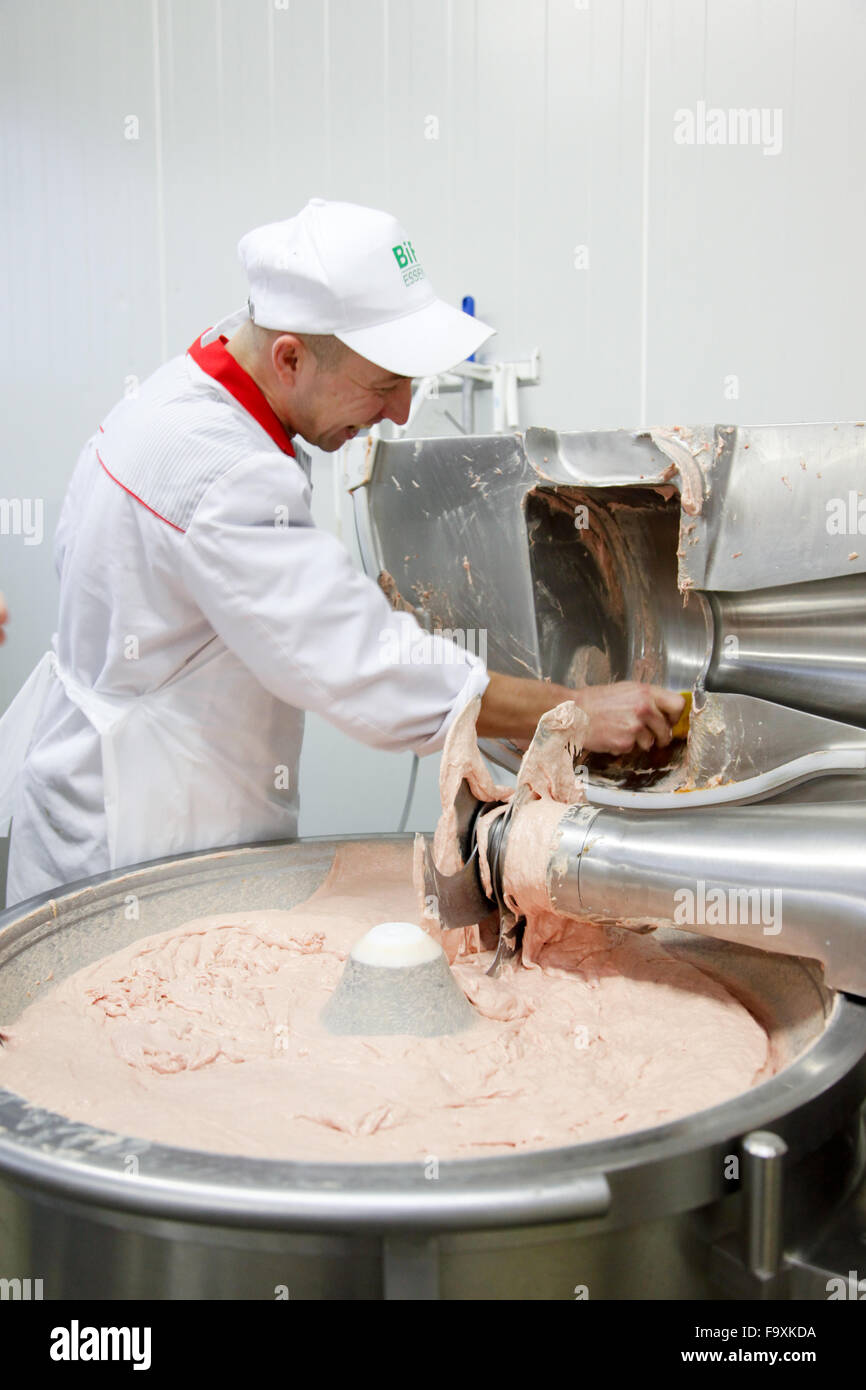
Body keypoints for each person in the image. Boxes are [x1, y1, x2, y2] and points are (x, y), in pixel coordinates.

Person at [0, 199, 682, 909]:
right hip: (146, 828)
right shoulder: (221, 473)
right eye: (384, 383)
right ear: (290, 356)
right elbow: (366, 666)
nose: (400, 413)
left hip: (112, 789)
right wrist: (573, 709)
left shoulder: (191, 387)